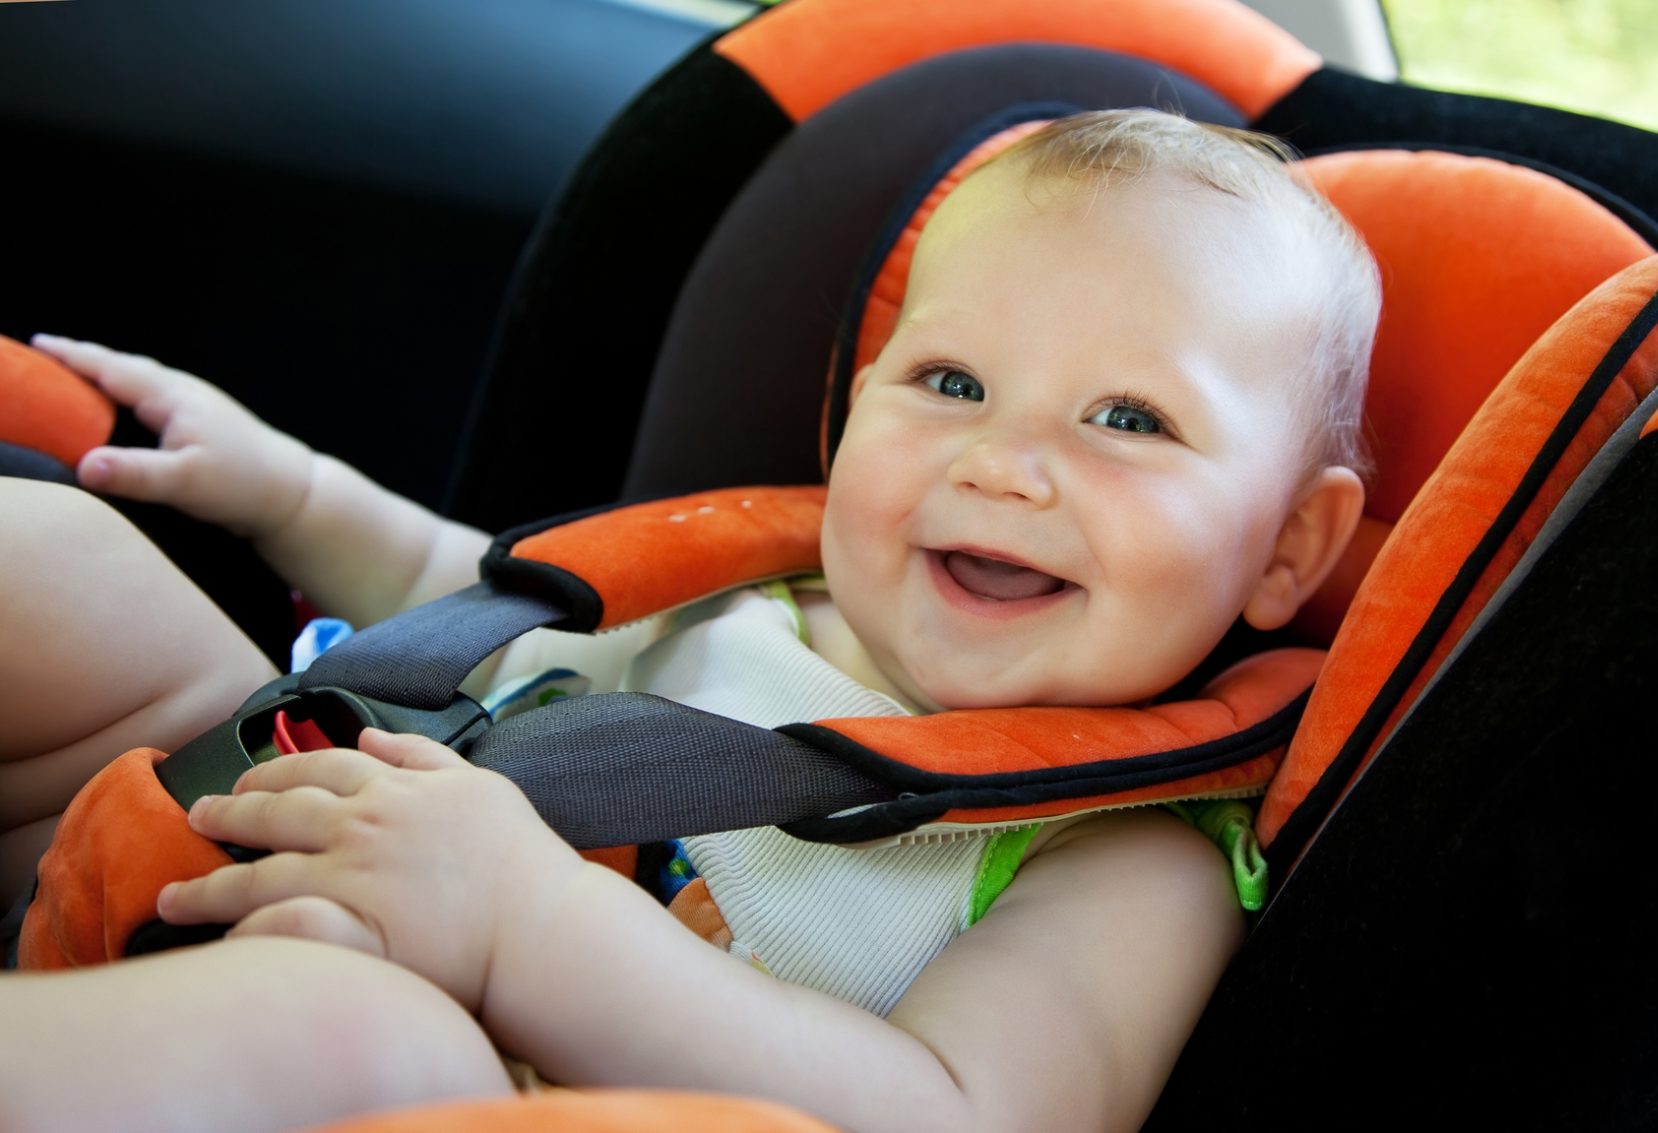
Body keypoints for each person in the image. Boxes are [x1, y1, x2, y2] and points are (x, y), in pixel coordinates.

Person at [0, 108, 1379, 1132]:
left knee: (330, 1030)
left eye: (1128, 420)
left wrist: (525, 926)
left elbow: (963, 1113)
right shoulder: (755, 579)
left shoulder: (1128, 854)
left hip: (457, 1079)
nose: (1002, 462)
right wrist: (291, 490)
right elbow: (473, 600)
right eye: (952, 381)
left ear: (1290, 548)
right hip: (225, 827)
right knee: (57, 557)